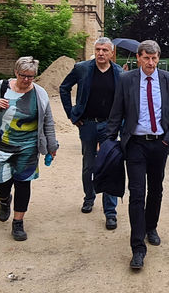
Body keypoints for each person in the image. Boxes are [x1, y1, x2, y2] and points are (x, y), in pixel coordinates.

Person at [106, 40, 169, 270]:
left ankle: (151, 227)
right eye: (146, 58)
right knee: (137, 193)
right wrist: (108, 141)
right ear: (138, 58)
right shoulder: (126, 80)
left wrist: (168, 139)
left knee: (156, 189)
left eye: (154, 58)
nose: (150, 63)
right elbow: (117, 111)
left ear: (159, 58)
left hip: (160, 143)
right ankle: (138, 247)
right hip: (136, 144)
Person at [0, 56, 59, 241]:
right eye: (23, 75)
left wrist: (52, 145)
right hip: (2, 146)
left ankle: (18, 223)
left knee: (23, 183)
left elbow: (48, 121)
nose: (26, 80)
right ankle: (4, 199)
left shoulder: (40, 94)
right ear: (16, 72)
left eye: (31, 76)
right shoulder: (1, 87)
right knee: (0, 184)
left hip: (29, 147)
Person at [59, 37, 123, 230]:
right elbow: (64, 88)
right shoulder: (82, 68)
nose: (101, 53)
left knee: (110, 165)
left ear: (112, 53)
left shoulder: (119, 73)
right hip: (87, 124)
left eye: (105, 50)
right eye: (98, 49)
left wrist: (121, 124)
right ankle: (89, 197)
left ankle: (110, 212)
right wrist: (71, 113)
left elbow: (125, 101)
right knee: (89, 164)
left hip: (109, 127)